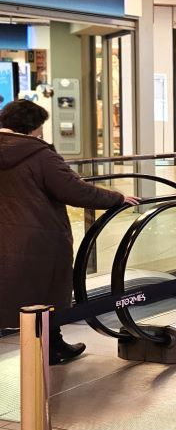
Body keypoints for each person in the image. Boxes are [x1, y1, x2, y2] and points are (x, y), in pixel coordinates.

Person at [0, 99, 137, 364]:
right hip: (37, 237)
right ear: (34, 127)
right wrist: (116, 198)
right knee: (46, 289)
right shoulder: (38, 154)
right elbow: (73, 190)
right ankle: (53, 347)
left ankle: (52, 345)